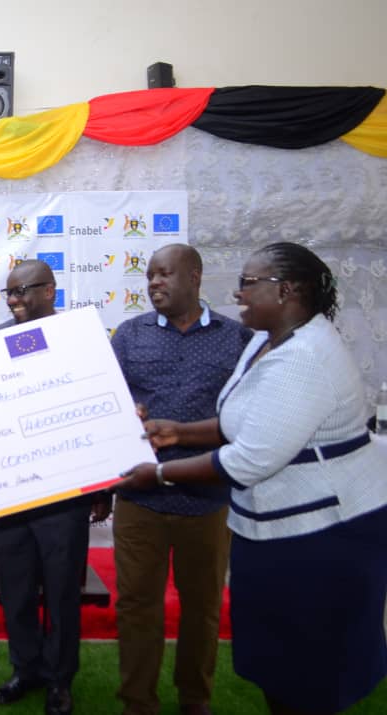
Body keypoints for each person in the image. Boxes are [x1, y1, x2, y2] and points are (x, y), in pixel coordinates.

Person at [118, 242, 387, 715]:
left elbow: (248, 459)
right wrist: (177, 431)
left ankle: (199, 699)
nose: (238, 293)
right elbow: (243, 420)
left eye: (248, 283)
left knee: (308, 673)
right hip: (273, 532)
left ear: (286, 291)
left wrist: (156, 473)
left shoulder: (302, 356)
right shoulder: (268, 342)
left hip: (319, 536)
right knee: (281, 665)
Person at [108, 244, 252, 715]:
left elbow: (247, 417)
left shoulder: (237, 339)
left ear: (194, 276)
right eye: (149, 275)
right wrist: (126, 413)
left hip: (207, 500)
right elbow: (107, 405)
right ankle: (138, 702)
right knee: (137, 607)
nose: (153, 282)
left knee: (203, 608)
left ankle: (195, 699)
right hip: (140, 500)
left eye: (164, 273)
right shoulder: (130, 335)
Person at [0, 260, 110, 715]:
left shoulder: (81, 339)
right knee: (15, 591)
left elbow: (100, 410)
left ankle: (60, 679)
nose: (14, 300)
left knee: (62, 593)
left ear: (51, 291)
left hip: (64, 495)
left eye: (23, 291)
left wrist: (103, 486)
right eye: (9, 293)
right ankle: (26, 669)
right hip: (9, 493)